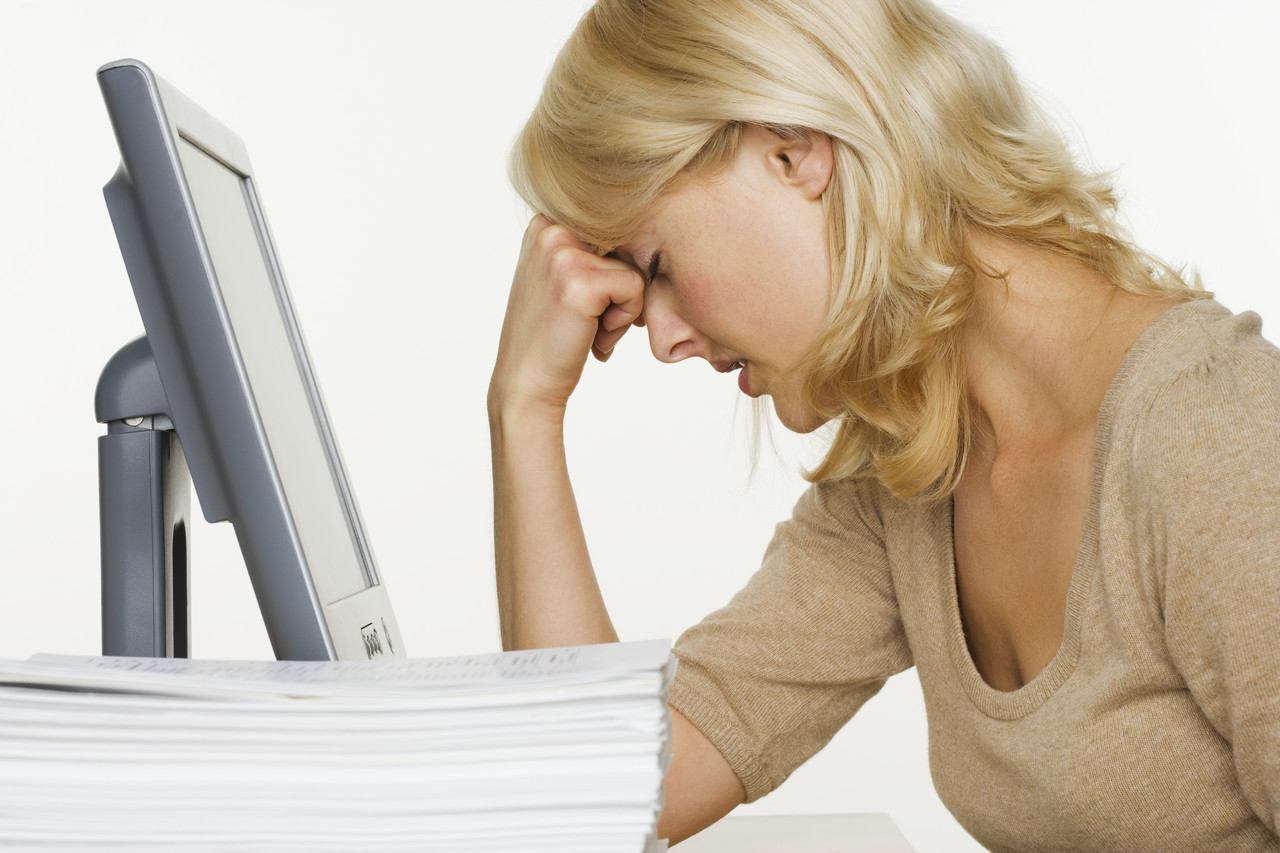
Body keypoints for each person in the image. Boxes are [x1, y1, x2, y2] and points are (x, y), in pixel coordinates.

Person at [488, 0, 1280, 848]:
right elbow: (597, 800)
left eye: (658, 266)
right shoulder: (909, 476)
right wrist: (524, 407)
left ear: (793, 153)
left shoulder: (1211, 434)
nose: (665, 339)